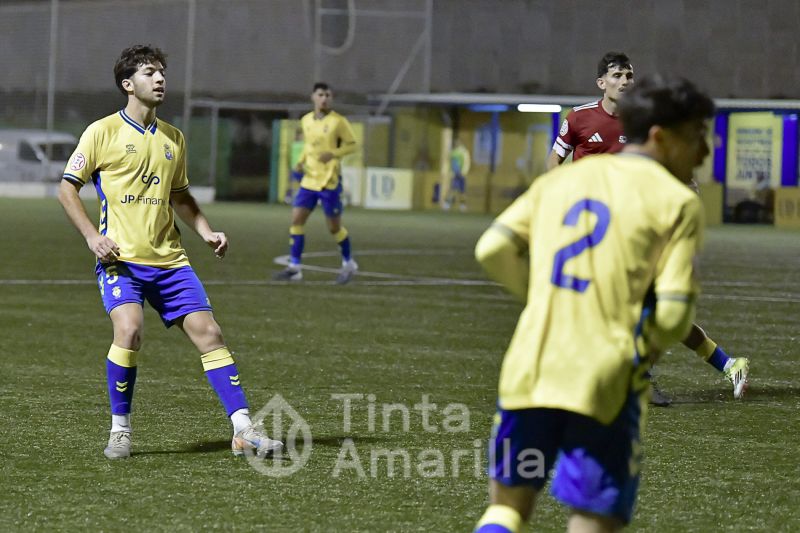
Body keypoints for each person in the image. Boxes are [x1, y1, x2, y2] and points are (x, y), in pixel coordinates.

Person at [473, 74, 713, 532]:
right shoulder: (677, 201)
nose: (704, 151)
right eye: (696, 136)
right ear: (660, 137)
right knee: (592, 518)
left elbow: (492, 249)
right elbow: (674, 315)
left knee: (505, 510)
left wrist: (539, 299)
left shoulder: (563, 180)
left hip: (530, 368)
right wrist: (648, 346)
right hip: (607, 382)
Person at [57, 45, 282, 460]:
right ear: (128, 84)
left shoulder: (173, 138)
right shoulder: (101, 131)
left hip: (170, 261)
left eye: (161, 72)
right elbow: (67, 188)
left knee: (210, 334)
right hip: (121, 261)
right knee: (129, 330)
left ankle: (243, 430)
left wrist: (206, 231)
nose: (160, 79)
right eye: (149, 73)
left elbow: (180, 196)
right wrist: (92, 237)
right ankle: (120, 431)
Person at [547, 51, 749, 404]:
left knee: (640, 306)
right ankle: (725, 364)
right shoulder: (578, 118)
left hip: (633, 228)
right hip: (593, 228)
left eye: (629, 75)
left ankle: (638, 375)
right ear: (601, 82)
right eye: (617, 75)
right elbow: (554, 160)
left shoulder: (641, 124)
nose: (625, 81)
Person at [273, 82, 359, 284]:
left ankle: (348, 263)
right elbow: (308, 146)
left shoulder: (338, 121)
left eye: (328, 95)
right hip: (309, 181)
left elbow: (353, 145)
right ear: (313, 97)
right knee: (296, 221)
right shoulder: (306, 120)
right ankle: (295, 267)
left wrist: (334, 153)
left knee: (334, 228)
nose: (324, 99)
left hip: (329, 181)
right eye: (321, 95)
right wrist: (300, 161)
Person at [443, 138, 471, 211]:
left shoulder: (463, 152)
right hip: (455, 173)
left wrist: (464, 171)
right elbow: (449, 163)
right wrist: (449, 172)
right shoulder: (452, 152)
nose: (456, 144)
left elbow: (466, 162)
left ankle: (462, 205)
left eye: (457, 143)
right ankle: (447, 204)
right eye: (455, 143)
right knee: (452, 188)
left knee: (462, 190)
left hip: (461, 173)